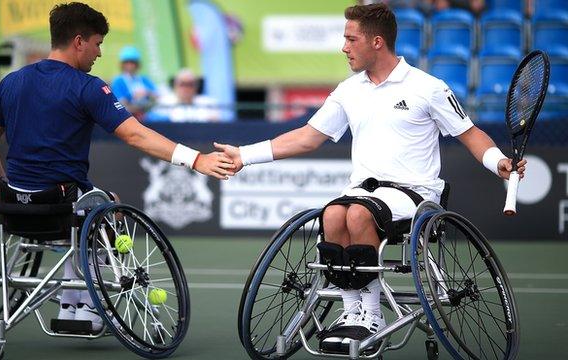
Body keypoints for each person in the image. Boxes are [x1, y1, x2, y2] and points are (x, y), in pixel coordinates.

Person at [215, 3, 525, 355]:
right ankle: (351, 313)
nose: (343, 47)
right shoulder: (349, 90)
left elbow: (470, 134)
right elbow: (306, 137)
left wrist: (498, 160)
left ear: (377, 42)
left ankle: (372, 315)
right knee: (333, 214)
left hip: (414, 195)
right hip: (361, 192)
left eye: (351, 39)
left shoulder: (429, 87)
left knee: (358, 213)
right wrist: (244, 155)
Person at [0, 2, 234, 333]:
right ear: (79, 41)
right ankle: (82, 306)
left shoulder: (10, 83)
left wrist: (0, 183)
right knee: (105, 204)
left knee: (89, 204)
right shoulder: (88, 87)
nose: (99, 53)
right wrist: (197, 159)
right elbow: (136, 135)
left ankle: (72, 302)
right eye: (97, 44)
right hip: (61, 204)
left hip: (14, 205)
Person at [147, 68, 221, 123]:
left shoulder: (209, 103)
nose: (186, 88)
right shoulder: (163, 103)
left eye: (190, 84)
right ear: (175, 85)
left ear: (196, 86)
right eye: (182, 84)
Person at [110, 45, 158, 119]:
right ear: (122, 64)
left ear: (137, 64)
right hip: (129, 118)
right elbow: (121, 104)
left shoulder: (144, 79)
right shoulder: (118, 81)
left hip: (148, 115)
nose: (130, 65)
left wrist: (147, 93)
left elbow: (157, 97)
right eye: (127, 62)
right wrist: (133, 95)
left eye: (132, 62)